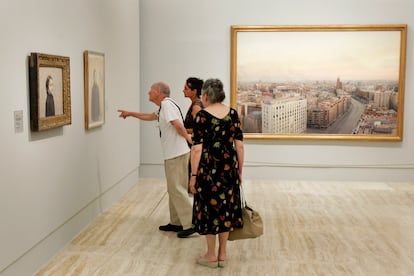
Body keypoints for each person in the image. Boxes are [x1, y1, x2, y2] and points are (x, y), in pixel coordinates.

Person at [118, 82, 196, 238]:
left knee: (177, 189)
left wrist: (187, 137)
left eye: (151, 91)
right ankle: (176, 222)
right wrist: (130, 113)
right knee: (173, 189)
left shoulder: (167, 105)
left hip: (177, 154)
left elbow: (177, 124)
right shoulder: (164, 107)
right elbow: (150, 116)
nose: (148, 93)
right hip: (173, 154)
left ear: (159, 93)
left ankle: (191, 224)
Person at [189, 78, 244, 268]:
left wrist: (193, 176)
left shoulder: (202, 116)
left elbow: (197, 149)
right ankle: (223, 254)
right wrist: (240, 172)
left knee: (209, 210)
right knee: (225, 210)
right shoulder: (233, 114)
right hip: (229, 170)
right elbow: (240, 146)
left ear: (205, 95)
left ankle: (210, 255)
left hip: (207, 171)